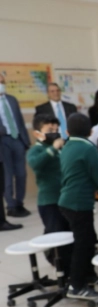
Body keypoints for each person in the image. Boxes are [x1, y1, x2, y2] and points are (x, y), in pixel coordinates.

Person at [58, 113, 98, 300]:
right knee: (83, 244)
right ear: (90, 131)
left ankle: (89, 275)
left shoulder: (67, 146)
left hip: (67, 200)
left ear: (67, 131)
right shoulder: (88, 148)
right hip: (79, 203)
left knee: (88, 239)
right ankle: (76, 285)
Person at [26, 113, 72, 275]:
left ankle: (70, 268)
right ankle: (61, 269)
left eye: (56, 129)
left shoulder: (60, 148)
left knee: (68, 234)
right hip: (49, 201)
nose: (54, 133)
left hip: (65, 198)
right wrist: (53, 148)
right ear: (37, 133)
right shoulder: (36, 150)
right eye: (49, 130)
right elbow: (35, 164)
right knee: (56, 234)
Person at [0, 73, 32, 218]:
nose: (1, 84)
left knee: (21, 174)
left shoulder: (12, 99)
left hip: (17, 139)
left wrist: (25, 140)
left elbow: (20, 120)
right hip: (3, 141)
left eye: (2, 82)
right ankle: (11, 205)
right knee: (7, 175)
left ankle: (19, 203)